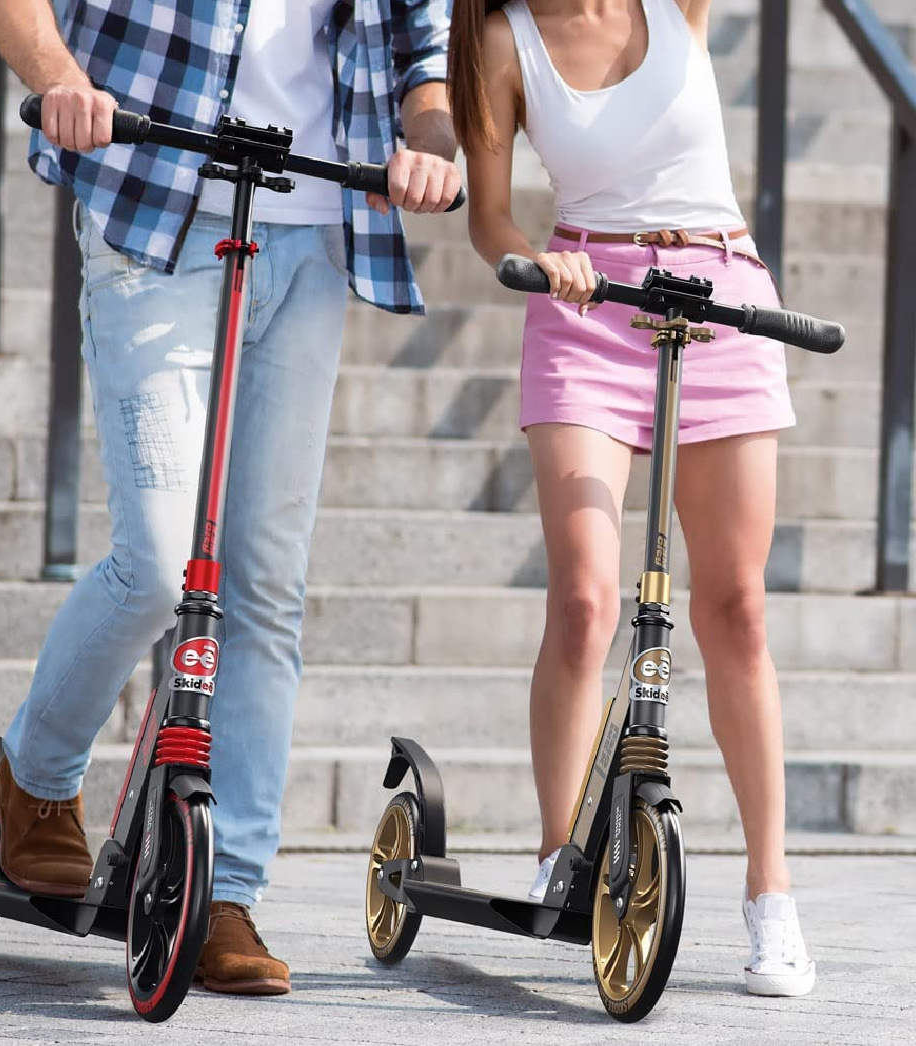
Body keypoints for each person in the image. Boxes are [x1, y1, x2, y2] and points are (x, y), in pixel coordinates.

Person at [0, 0, 460, 997]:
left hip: (315, 223)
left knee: (266, 583)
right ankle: (37, 779)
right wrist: (58, 72)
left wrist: (432, 136)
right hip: (156, 202)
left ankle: (225, 890)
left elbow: (423, 33)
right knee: (159, 561)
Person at [448, 0, 815, 997]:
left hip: (720, 292)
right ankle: (559, 847)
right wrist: (537, 254)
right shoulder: (499, 38)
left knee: (736, 607)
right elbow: (488, 217)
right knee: (586, 601)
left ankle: (770, 893)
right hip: (587, 307)